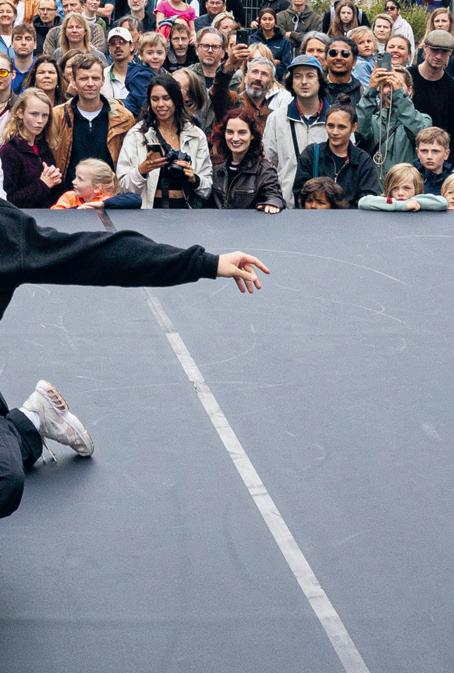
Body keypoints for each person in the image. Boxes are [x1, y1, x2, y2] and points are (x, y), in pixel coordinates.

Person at [0, 206, 268, 527]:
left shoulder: (6, 234)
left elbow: (95, 256)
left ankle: (26, 422)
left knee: (4, 482)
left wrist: (205, 263)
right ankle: (27, 421)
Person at [116, 75, 212, 208]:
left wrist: (194, 179)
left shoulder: (195, 135)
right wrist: (142, 170)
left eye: (166, 98)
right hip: (148, 211)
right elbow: (123, 186)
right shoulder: (137, 134)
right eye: (155, 99)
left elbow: (207, 188)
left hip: (185, 211)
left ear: (176, 99)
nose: (161, 104)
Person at [48, 52, 134, 194]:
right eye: (83, 78)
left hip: (109, 198)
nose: (90, 84)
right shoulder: (57, 116)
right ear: (73, 80)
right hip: (69, 197)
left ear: (103, 80)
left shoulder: (123, 118)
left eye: (95, 78)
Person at [265, 58, 332, 205]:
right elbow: (268, 164)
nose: (304, 82)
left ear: (320, 80)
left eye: (310, 76)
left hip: (327, 206)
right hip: (287, 204)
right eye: (297, 76)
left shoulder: (335, 118)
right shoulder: (276, 118)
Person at [355, 66, 424, 189]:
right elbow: (360, 131)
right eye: (387, 85)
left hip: (407, 190)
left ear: (409, 90)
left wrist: (398, 95)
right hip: (375, 190)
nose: (391, 89)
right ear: (380, 91)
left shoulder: (423, 119)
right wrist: (370, 91)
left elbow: (419, 134)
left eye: (397, 84)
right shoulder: (373, 120)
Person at [208, 110, 286, 212]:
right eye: (230, 132)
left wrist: (272, 203)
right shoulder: (217, 169)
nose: (235, 138)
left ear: (252, 135)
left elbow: (275, 196)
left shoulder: (265, 170)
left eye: (242, 132)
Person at [2, 90, 65, 208]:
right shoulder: (9, 151)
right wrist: (43, 184)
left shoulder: (43, 146)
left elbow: (54, 192)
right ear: (20, 113)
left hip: (50, 214)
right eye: (34, 114)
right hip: (23, 217)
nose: (40, 121)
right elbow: (10, 200)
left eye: (45, 115)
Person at [409, 28, 454, 148]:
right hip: (403, 151)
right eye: (435, 50)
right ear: (425, 48)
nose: (439, 56)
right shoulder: (406, 78)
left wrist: (447, 160)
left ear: (450, 53)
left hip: (436, 154)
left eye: (444, 51)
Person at [358, 161, 449, 212]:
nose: (400, 193)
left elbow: (442, 203)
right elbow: (363, 202)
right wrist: (402, 205)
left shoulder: (419, 200)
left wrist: (413, 202)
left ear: (416, 188)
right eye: (395, 188)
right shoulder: (386, 201)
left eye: (406, 188)